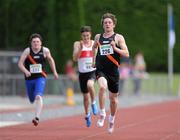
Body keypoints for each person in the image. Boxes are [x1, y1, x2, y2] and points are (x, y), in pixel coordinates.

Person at [92, 13, 129, 133]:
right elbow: (94, 48)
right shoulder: (98, 37)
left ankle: (112, 119)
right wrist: (93, 60)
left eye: (109, 22)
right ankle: (102, 113)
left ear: (113, 24)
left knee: (113, 99)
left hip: (113, 72)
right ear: (102, 24)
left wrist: (115, 48)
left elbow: (126, 53)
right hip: (101, 69)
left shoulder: (118, 37)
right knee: (102, 87)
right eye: (105, 22)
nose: (107, 24)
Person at [18, 33, 59, 126]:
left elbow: (51, 60)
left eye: (37, 42)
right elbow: (20, 63)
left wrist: (55, 72)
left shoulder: (45, 51)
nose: (36, 43)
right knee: (32, 99)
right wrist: (25, 71)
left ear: (41, 43)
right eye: (34, 42)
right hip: (29, 79)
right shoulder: (27, 51)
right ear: (31, 43)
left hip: (40, 77)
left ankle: (37, 117)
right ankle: (33, 100)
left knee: (38, 96)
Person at [73, 26, 98, 127]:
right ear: (81, 36)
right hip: (82, 73)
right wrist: (81, 48)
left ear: (90, 35)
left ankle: (94, 103)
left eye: (87, 36)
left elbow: (97, 56)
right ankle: (87, 115)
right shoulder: (77, 44)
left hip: (92, 71)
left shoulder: (94, 43)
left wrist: (95, 62)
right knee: (85, 97)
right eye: (84, 36)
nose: (86, 38)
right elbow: (75, 58)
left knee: (90, 85)